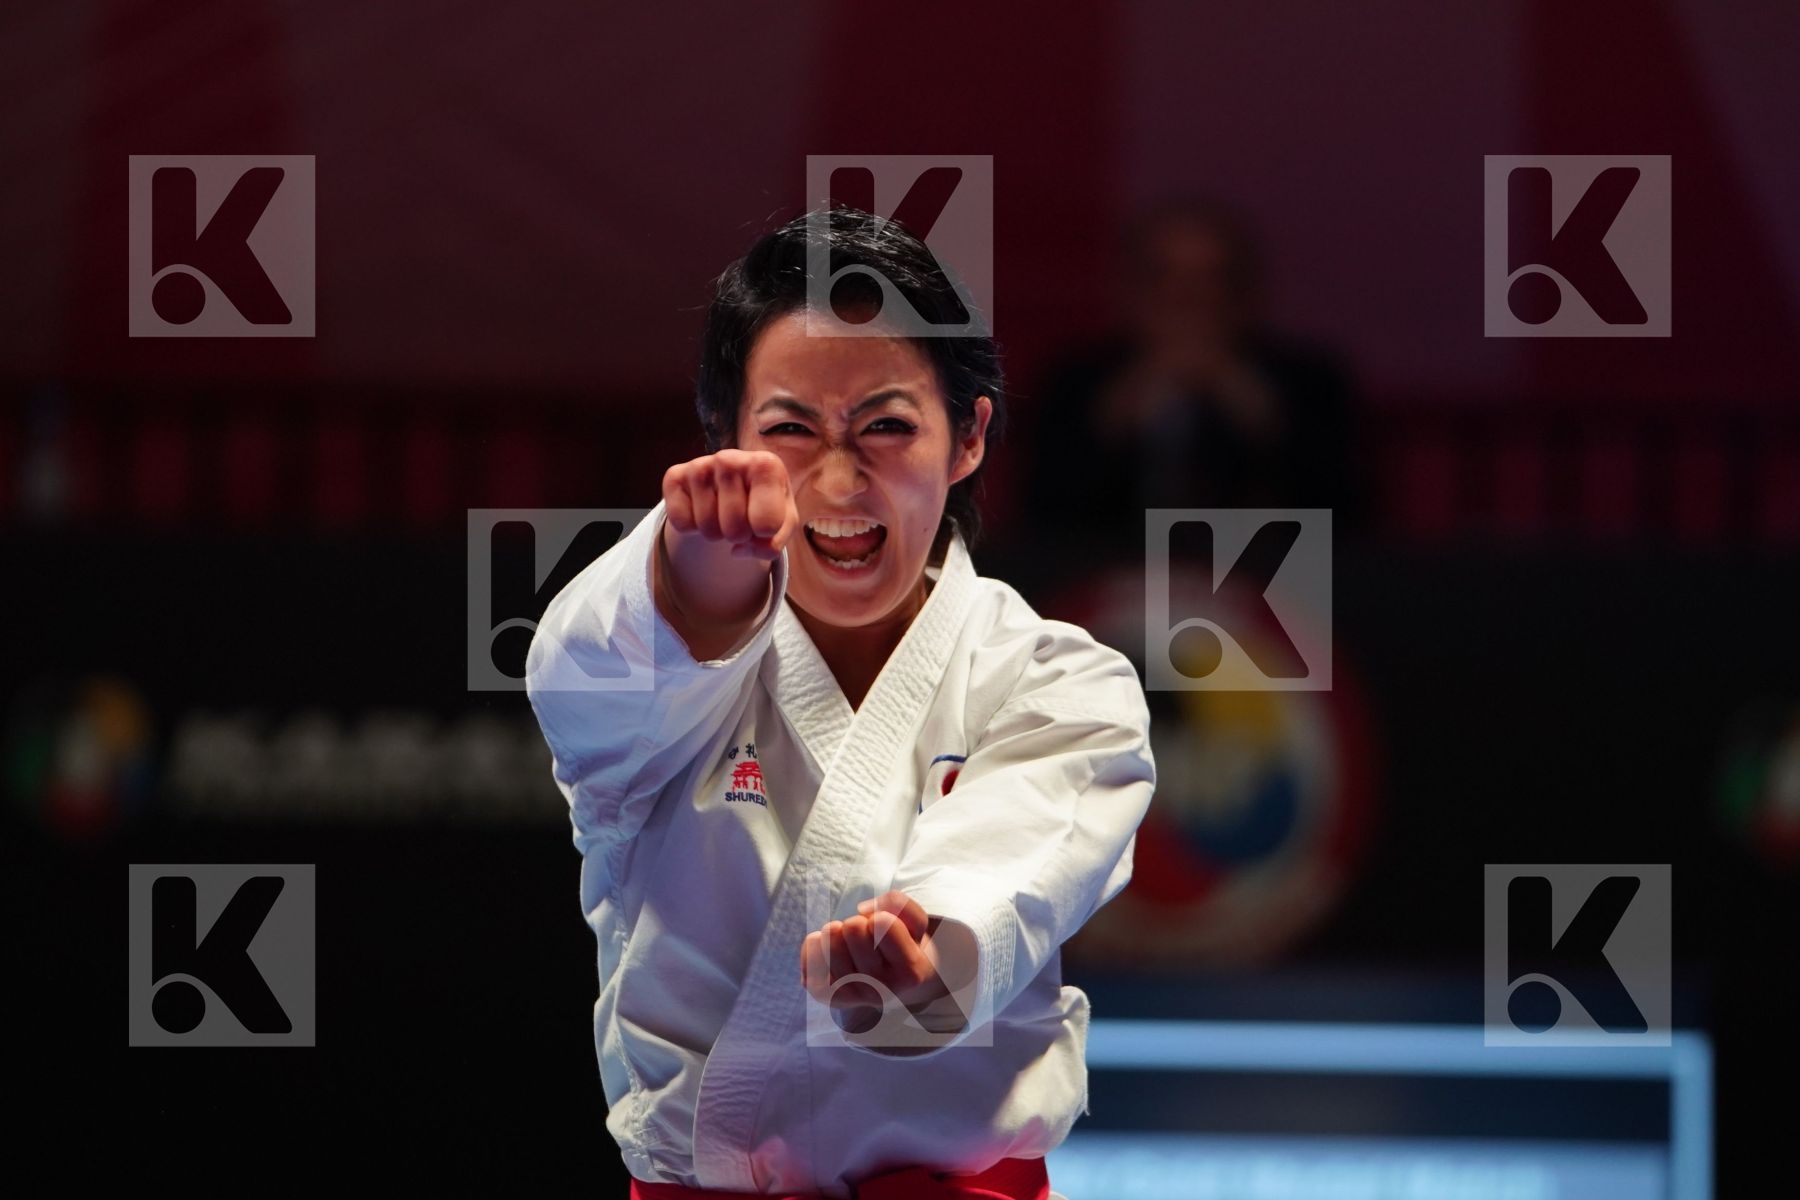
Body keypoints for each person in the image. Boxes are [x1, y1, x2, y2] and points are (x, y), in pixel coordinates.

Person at [525, 207, 1156, 1199]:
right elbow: (577, 688)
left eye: (887, 427)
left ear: (969, 437)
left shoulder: (1059, 679)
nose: (838, 479)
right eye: (790, 430)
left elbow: (1022, 855)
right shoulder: (651, 662)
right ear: (725, 440)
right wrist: (689, 581)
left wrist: (929, 954)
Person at [1023, 196, 1365, 548]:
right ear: (1127, 290)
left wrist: (1265, 420)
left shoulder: (1310, 385)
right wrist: (1111, 423)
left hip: (1270, 577)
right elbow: (1040, 530)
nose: (1187, 298)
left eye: (1213, 279)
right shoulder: (1076, 385)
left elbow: (1354, 533)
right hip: (1110, 577)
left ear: (1247, 293)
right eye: (1162, 276)